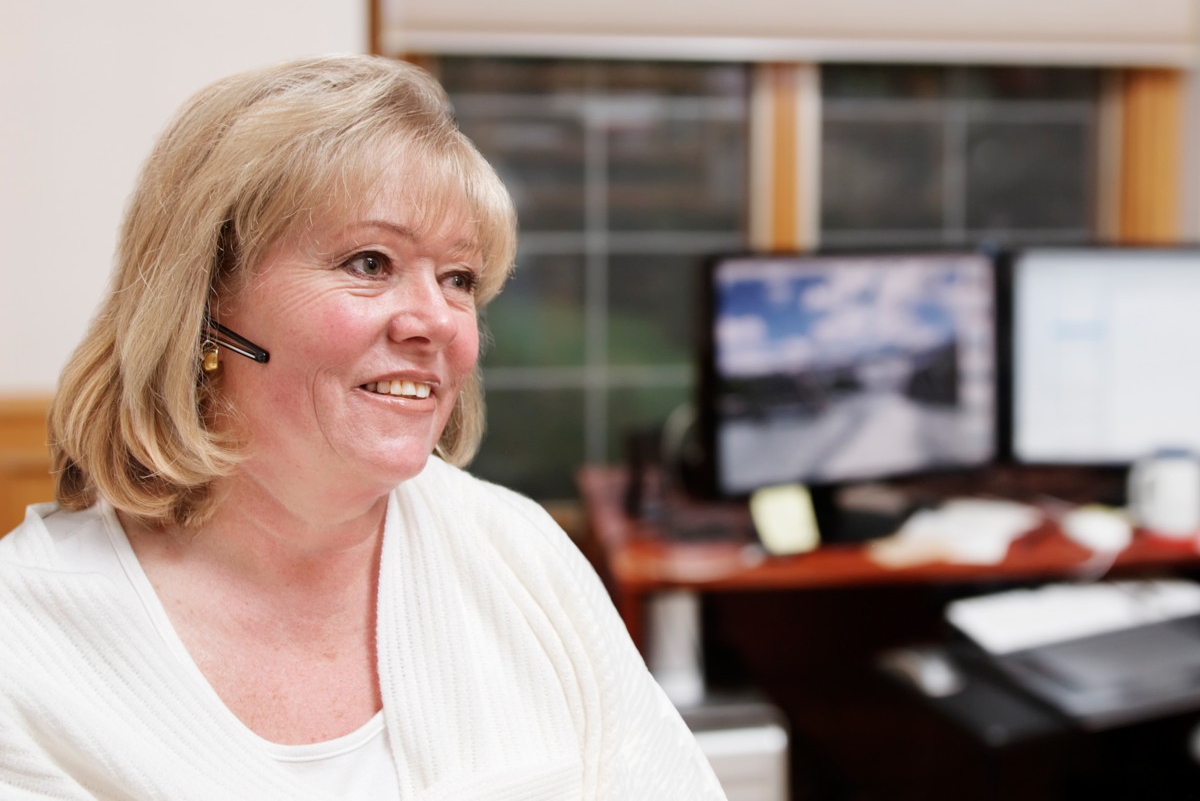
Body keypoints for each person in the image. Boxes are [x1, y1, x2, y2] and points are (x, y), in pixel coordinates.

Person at [0, 56, 725, 799]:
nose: (437, 322)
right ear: (206, 302)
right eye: (370, 262)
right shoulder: (25, 645)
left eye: (458, 279)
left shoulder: (518, 553)